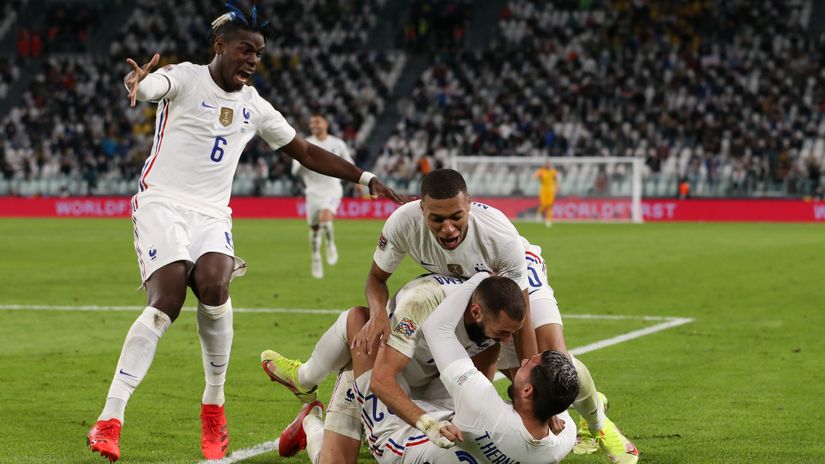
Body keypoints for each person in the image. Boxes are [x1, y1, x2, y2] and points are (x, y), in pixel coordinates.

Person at [85, 4, 403, 462]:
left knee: (214, 286)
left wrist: (365, 178)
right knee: (168, 300)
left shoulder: (254, 105)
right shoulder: (187, 77)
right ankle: (110, 418)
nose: (253, 60)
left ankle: (214, 406)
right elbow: (155, 84)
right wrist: (139, 82)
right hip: (161, 203)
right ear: (220, 47)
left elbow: (306, 151)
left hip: (213, 214)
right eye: (245, 50)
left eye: (258, 53)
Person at [261, 273, 517, 463]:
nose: (507, 341)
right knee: (360, 320)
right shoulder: (421, 304)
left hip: (429, 383)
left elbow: (474, 391)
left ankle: (309, 417)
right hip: (380, 366)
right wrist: (428, 425)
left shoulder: (491, 329)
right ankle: (306, 390)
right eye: (503, 333)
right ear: (476, 312)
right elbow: (381, 378)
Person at [291, 112, 362, 278]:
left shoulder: (337, 144)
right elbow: (294, 171)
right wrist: (301, 161)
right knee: (314, 229)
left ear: (326, 124)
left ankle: (330, 244)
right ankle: (316, 257)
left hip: (332, 188)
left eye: (317, 122)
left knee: (325, 218)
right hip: (313, 191)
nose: (314, 125)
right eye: (311, 123)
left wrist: (357, 181)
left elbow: (349, 164)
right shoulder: (304, 144)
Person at [533, 160, 558, 227]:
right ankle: (539, 213)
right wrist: (538, 175)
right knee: (544, 204)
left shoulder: (553, 171)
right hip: (543, 190)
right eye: (546, 164)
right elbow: (534, 177)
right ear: (544, 165)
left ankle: (548, 220)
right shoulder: (541, 171)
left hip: (551, 190)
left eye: (549, 164)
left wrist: (557, 187)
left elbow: (555, 179)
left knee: (549, 205)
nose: (548, 165)